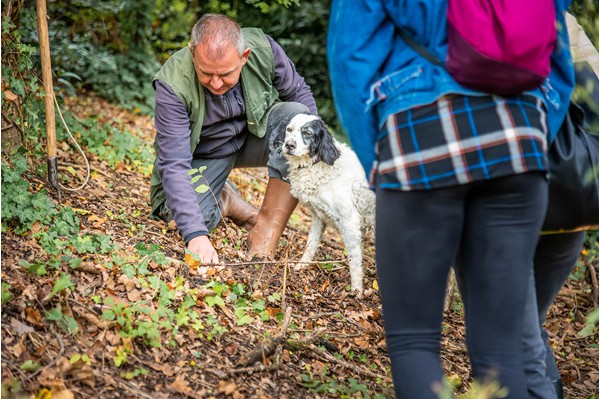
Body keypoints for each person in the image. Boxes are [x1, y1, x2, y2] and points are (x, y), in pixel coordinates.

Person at [327, 1, 574, 398]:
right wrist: (532, 140)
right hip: (517, 141)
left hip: (418, 134)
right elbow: (559, 61)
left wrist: (379, 163)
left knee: (414, 343)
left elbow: (349, 59)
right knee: (502, 350)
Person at [149, 14, 318, 263]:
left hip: (254, 137)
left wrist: (317, 146)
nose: (216, 84)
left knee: (298, 118)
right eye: (206, 73)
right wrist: (196, 236)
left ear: (244, 57)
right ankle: (225, 199)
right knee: (189, 220)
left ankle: (266, 232)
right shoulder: (172, 85)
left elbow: (299, 94)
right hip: (208, 154)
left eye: (226, 74)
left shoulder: (263, 50)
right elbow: (174, 163)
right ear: (192, 52)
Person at [532, 13, 599, 399]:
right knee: (529, 325)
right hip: (573, 204)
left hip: (511, 205)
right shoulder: (563, 19)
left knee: (513, 330)